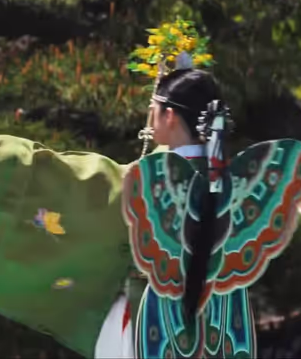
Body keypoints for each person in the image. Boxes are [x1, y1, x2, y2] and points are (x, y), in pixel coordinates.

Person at [95, 60, 222, 358]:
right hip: (215, 320)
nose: (149, 120)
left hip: (152, 315)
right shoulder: (224, 176)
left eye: (153, 110)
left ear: (170, 116)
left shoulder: (151, 175)